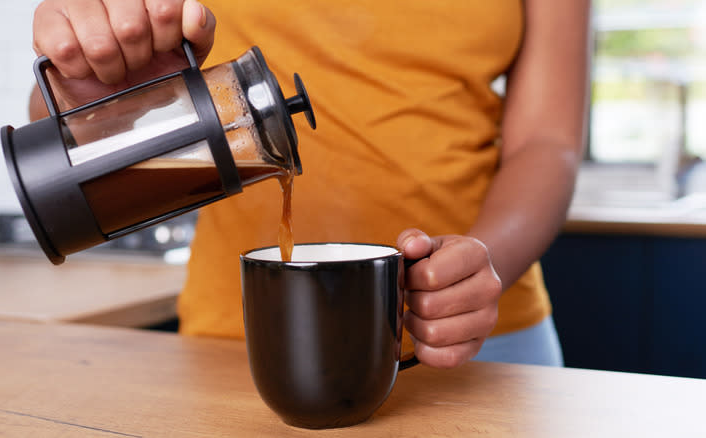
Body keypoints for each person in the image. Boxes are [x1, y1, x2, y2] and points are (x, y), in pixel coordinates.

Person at [30, 0, 590, 368]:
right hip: (241, 347)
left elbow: (547, 144)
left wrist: (479, 267)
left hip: (477, 337)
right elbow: (47, 128)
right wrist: (92, 85)